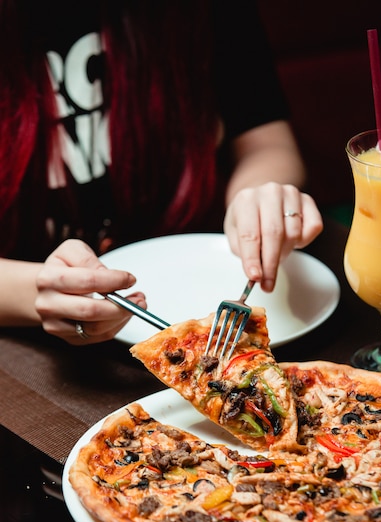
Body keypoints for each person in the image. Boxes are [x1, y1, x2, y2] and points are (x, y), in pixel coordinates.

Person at [0, 0, 323, 346]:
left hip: (201, 279)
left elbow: (268, 142)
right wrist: (35, 292)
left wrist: (257, 197)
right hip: (29, 341)